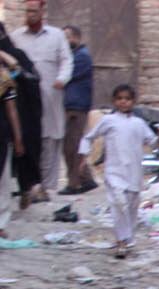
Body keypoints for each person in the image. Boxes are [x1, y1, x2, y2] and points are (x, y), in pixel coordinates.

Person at [77, 84, 155, 256]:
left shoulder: (139, 123)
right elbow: (89, 137)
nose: (123, 102)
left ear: (133, 102)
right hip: (114, 171)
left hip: (134, 172)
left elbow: (151, 140)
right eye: (120, 99)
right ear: (114, 101)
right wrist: (83, 157)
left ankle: (128, 239)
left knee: (132, 206)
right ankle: (121, 240)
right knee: (118, 202)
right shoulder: (108, 121)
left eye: (127, 99)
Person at [11, 1, 67, 200]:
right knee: (28, 139)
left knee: (50, 138)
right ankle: (30, 184)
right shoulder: (16, 36)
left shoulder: (57, 35)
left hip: (50, 94)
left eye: (34, 11)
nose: (31, 14)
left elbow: (66, 60)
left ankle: (46, 186)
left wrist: (62, 79)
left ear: (42, 12)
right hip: (24, 98)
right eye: (28, 11)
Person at [0, 24, 42, 207]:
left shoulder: (15, 57)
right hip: (11, 114)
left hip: (17, 114)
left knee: (19, 155)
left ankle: (25, 189)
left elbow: (20, 74)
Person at [57, 22, 91, 193]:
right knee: (71, 145)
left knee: (73, 146)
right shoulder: (75, 55)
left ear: (76, 38)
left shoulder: (81, 57)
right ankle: (86, 179)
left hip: (77, 107)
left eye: (66, 37)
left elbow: (65, 76)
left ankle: (74, 183)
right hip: (71, 105)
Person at [0, 52, 22, 237]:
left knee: (3, 180)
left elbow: (11, 110)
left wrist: (18, 138)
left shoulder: (4, 79)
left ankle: (0, 224)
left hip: (1, 134)